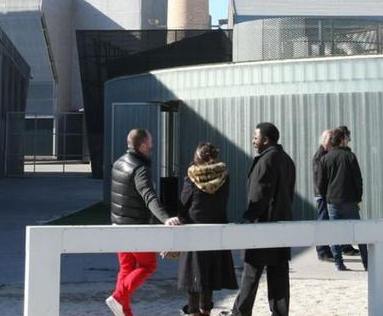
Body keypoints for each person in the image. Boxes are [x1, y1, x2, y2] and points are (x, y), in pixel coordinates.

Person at [224, 122, 297, 316]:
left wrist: (248, 217)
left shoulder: (266, 160)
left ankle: (240, 313)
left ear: (266, 139)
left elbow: (260, 194)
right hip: (282, 226)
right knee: (279, 274)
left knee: (251, 273)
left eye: (255, 137)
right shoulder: (287, 160)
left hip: (263, 226)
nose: (253, 141)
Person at [108, 128, 181, 316]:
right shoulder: (140, 169)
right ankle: (117, 297)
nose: (152, 146)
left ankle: (124, 312)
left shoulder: (118, 163)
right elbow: (149, 197)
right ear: (142, 146)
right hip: (136, 228)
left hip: (118, 225)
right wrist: (166, 218)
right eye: (150, 143)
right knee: (149, 266)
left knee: (126, 269)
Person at [177, 142, 238, 315]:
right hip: (216, 227)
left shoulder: (191, 177)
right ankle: (206, 311)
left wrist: (180, 219)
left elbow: (184, 204)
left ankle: (194, 311)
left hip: (194, 229)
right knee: (210, 276)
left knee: (194, 277)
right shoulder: (224, 176)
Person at [317, 126, 367, 271]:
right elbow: (358, 180)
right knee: (358, 233)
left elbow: (321, 183)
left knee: (335, 233)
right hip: (349, 200)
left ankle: (339, 263)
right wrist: (358, 197)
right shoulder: (350, 156)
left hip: (332, 200)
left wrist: (327, 196)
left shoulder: (325, 158)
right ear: (342, 140)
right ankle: (366, 262)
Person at [312, 129, 334, 262]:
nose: (332, 141)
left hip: (324, 193)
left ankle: (326, 250)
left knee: (325, 222)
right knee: (322, 222)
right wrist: (323, 192)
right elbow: (318, 177)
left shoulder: (325, 153)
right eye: (330, 139)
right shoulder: (320, 155)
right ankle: (322, 251)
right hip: (322, 194)